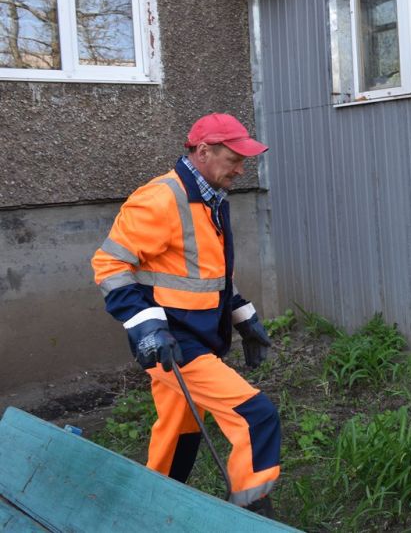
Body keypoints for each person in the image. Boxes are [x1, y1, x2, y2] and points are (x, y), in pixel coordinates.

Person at [91, 113, 280, 514]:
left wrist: (244, 318)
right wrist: (146, 328)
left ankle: (149, 508)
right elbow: (109, 265)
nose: (241, 170)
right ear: (204, 151)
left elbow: (209, 276)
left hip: (190, 339)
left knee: (178, 433)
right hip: (174, 342)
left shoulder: (211, 198)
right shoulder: (161, 198)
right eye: (234, 159)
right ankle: (251, 513)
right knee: (256, 416)